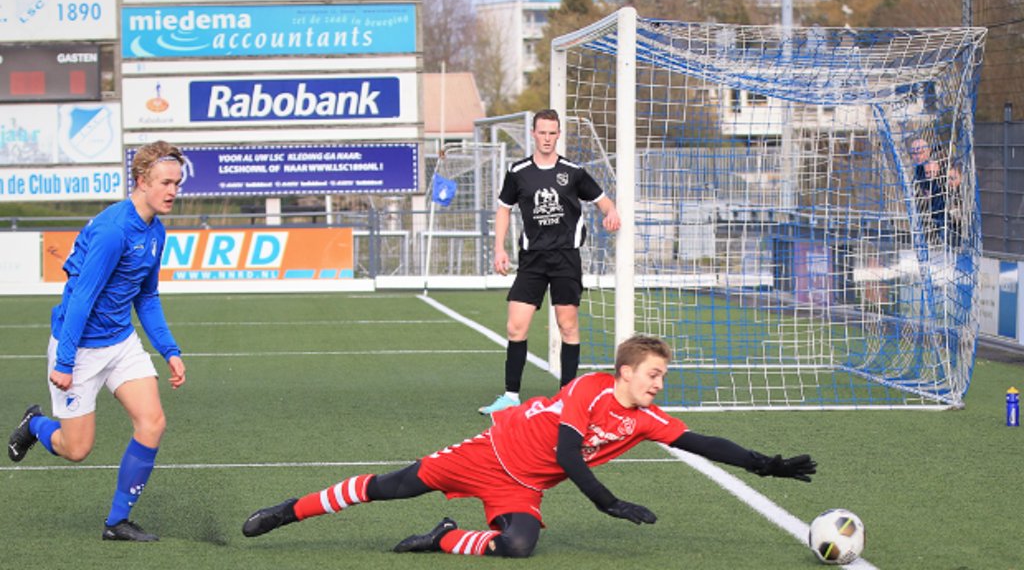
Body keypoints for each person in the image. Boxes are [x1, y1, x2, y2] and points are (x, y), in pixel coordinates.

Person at [242, 335, 816, 558]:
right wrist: (607, 503)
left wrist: (765, 465)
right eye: (654, 374)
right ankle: (284, 512)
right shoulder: (588, 389)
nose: (659, 384)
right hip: (489, 454)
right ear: (624, 371)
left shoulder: (645, 416)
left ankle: (444, 539)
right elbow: (570, 454)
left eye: (663, 376)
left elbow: (701, 440)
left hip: (522, 485)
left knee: (518, 547)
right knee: (389, 488)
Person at [7, 140, 188, 542]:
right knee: (76, 450)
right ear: (141, 181)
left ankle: (116, 522)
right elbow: (81, 297)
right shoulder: (113, 230)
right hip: (82, 349)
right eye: (165, 182)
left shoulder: (155, 232)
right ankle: (35, 424)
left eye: (177, 182)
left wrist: (170, 350)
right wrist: (66, 361)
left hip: (120, 342)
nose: (173, 191)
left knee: (152, 422)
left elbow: (147, 296)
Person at [481, 108, 621, 415]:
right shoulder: (518, 172)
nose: (546, 138)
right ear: (533, 134)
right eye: (541, 132)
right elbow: (503, 209)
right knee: (515, 327)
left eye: (552, 133)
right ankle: (510, 396)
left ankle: (566, 398)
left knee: (568, 326)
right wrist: (499, 248)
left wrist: (611, 212)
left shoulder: (573, 172)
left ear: (558, 135)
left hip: (565, 259)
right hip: (532, 259)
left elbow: (603, 200)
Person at [910, 137, 946, 244]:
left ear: (928, 151)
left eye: (920, 152)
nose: (917, 157)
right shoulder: (918, 169)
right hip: (932, 214)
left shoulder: (939, 164)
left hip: (946, 213)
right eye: (914, 154)